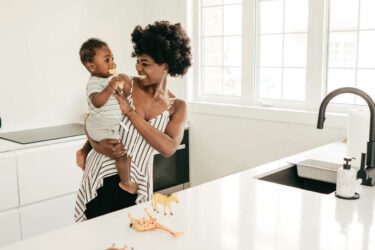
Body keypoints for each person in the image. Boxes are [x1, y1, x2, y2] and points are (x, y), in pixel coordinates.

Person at [74, 20, 192, 222]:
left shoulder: (177, 107)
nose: (138, 68)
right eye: (137, 61)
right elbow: (97, 119)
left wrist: (129, 112)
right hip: (102, 176)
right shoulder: (124, 84)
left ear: (164, 66)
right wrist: (90, 146)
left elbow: (169, 147)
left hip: (136, 186)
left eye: (144, 64)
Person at [78, 38, 138, 194]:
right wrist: (111, 87)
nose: (112, 63)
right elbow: (97, 102)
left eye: (112, 58)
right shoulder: (94, 83)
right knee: (121, 154)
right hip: (102, 125)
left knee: (125, 154)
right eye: (107, 60)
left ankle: (85, 151)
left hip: (105, 124)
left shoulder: (109, 80)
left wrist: (117, 89)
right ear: (91, 66)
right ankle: (126, 183)